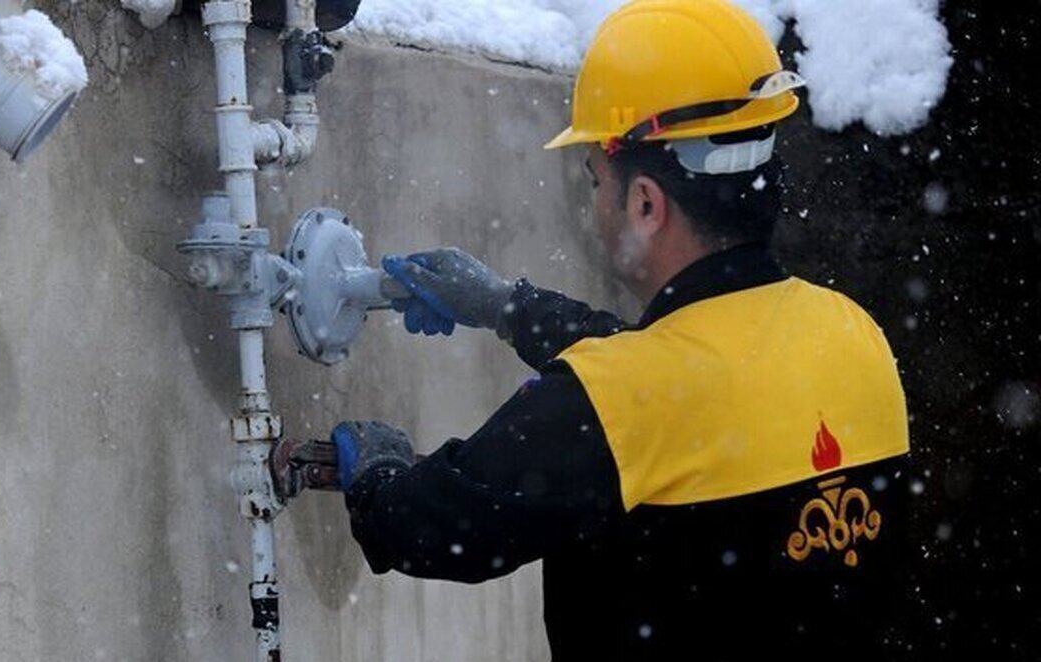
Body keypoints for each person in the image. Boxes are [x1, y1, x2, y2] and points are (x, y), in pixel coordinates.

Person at [331, 0, 911, 658]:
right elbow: (675, 374)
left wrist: (376, 474)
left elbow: (429, 526)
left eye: (595, 179)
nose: (595, 202)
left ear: (644, 203)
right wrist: (505, 305)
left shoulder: (620, 403)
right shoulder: (854, 334)